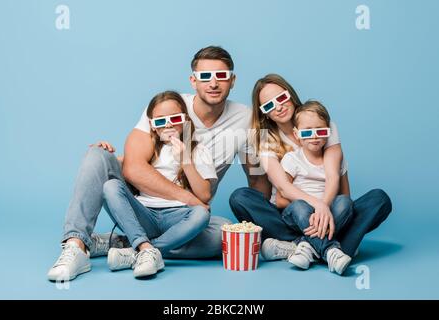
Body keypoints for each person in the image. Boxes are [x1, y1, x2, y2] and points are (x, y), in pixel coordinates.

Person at [47, 46, 267, 281]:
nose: (213, 83)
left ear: (233, 80)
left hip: (184, 216)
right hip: (150, 206)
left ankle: (132, 247)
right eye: (205, 76)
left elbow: (257, 178)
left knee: (223, 237)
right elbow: (133, 168)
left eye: (221, 76)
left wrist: (270, 227)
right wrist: (191, 199)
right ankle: (76, 245)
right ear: (193, 81)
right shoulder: (169, 105)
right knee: (97, 154)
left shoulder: (249, 119)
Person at [229, 74, 392, 264]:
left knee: (379, 199)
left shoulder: (324, 125)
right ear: (264, 112)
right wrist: (318, 205)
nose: (278, 107)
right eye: (269, 105)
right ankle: (335, 247)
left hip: (331, 208)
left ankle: (302, 247)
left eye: (281, 98)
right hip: (292, 213)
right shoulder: (266, 139)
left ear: (290, 95)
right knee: (240, 197)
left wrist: (325, 206)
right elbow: (283, 188)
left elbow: (333, 176)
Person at [102, 91, 216, 278]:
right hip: (144, 213)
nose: (169, 124)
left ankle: (139, 250)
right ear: (152, 127)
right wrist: (107, 153)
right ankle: (145, 248)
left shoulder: (199, 150)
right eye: (161, 121)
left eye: (175, 118)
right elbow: (126, 171)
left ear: (186, 120)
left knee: (202, 214)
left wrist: (185, 159)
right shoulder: (148, 150)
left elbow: (204, 196)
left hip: (179, 217)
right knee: (110, 186)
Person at [276, 101, 353, 275]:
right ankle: (331, 251)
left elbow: (345, 195)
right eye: (307, 132)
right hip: (299, 216)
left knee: (345, 202)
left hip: (328, 216)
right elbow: (281, 198)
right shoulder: (291, 159)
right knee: (300, 206)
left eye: (321, 131)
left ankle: (307, 246)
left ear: (329, 133)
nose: (315, 137)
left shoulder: (336, 160)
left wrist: (325, 210)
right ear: (296, 134)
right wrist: (317, 208)